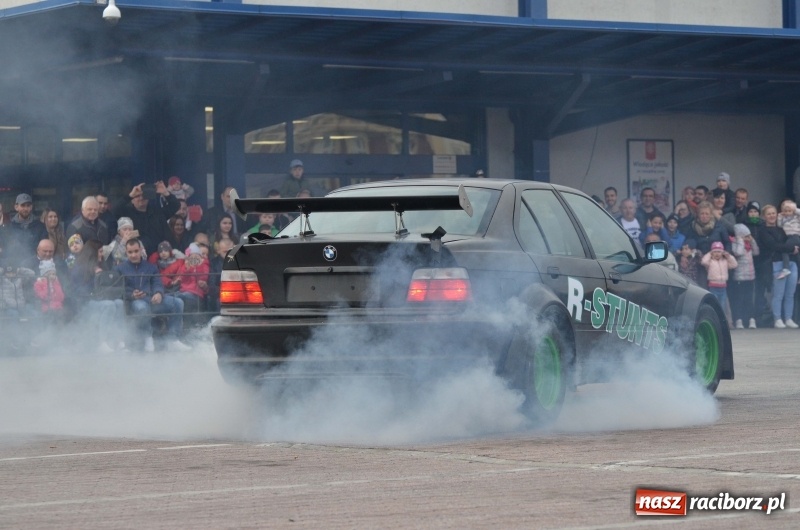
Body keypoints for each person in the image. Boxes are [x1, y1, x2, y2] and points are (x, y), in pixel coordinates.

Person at [116, 238, 189, 352]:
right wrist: (131, 294)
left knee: (178, 303)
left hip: (151, 299)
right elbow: (117, 289)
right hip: (133, 302)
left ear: (141, 250)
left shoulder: (151, 267)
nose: (133, 254)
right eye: (130, 252)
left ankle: (173, 340)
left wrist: (159, 293)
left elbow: (157, 283)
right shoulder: (119, 269)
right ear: (126, 252)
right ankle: (147, 338)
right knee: (142, 307)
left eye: (136, 251)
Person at [69, 239, 125, 353]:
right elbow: (79, 291)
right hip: (85, 303)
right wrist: (96, 278)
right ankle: (102, 342)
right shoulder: (79, 269)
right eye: (100, 251)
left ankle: (118, 340)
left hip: (100, 299)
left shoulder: (102, 265)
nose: (102, 254)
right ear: (92, 254)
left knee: (119, 303)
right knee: (109, 305)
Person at [113, 182, 180, 257]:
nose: (141, 198)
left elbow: (175, 205)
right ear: (132, 199)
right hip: (139, 258)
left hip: (162, 256)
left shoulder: (157, 212)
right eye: (137, 196)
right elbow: (114, 210)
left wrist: (165, 192)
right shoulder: (127, 214)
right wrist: (130, 196)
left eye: (144, 195)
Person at [760, 204, 799, 329]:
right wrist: (791, 248)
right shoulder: (763, 231)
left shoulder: (782, 229)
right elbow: (774, 246)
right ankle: (777, 318)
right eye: (769, 213)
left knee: (790, 293)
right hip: (776, 263)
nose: (772, 216)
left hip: (791, 263)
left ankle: (788, 318)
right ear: (764, 216)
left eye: (773, 213)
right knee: (778, 294)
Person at [730, 223, 760, 329]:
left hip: (750, 276)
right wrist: (740, 240)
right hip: (739, 277)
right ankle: (739, 320)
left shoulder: (750, 245)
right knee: (739, 299)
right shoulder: (735, 243)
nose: (747, 237)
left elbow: (756, 252)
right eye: (745, 235)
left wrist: (752, 240)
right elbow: (738, 253)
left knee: (749, 299)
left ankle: (751, 319)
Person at [174, 242, 209, 327]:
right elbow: (183, 279)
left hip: (196, 294)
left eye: (196, 256)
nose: (194, 258)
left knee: (181, 297)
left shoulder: (204, 265)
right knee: (175, 297)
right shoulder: (185, 265)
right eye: (192, 256)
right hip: (184, 291)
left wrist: (198, 266)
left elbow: (204, 277)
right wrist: (187, 269)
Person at [6, 193, 47, 266]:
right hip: (14, 266)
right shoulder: (9, 227)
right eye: (23, 205)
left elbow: (44, 249)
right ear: (16, 207)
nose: (26, 208)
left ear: (31, 207)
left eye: (28, 206)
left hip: (35, 266)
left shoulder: (40, 226)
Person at [701, 241, 737, 313]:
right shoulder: (710, 262)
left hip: (723, 287)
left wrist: (728, 256)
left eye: (719, 252)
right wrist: (709, 253)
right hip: (713, 287)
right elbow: (704, 261)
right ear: (712, 253)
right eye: (715, 252)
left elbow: (734, 264)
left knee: (722, 305)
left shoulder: (725, 261)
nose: (717, 254)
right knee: (714, 304)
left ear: (722, 253)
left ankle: (721, 320)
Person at [206, 237, 234, 314]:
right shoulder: (213, 263)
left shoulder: (240, 262)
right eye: (225, 252)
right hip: (220, 294)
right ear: (219, 251)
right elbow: (211, 284)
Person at [775, 199, 800, 279]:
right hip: (788, 237)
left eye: (789, 211)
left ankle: (786, 268)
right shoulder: (783, 218)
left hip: (795, 236)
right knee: (797, 255)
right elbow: (779, 225)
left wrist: (794, 209)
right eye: (785, 211)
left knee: (784, 250)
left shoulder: (796, 217)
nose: (787, 213)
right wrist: (779, 216)